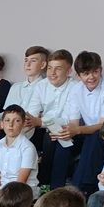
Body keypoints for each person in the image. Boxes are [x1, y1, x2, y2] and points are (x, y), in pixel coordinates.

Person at [63, 51, 104, 194]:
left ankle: (79, 189)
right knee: (59, 139)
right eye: (86, 74)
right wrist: (65, 132)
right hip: (86, 131)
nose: (91, 77)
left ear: (100, 70)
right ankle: (55, 186)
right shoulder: (76, 89)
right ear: (78, 76)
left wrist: (77, 130)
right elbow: (74, 122)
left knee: (94, 137)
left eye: (95, 72)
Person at [25, 49, 79, 189]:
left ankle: (54, 188)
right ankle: (43, 185)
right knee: (49, 135)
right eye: (49, 68)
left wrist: (41, 122)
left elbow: (68, 120)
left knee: (58, 137)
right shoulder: (41, 85)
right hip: (45, 130)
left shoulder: (76, 87)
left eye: (58, 69)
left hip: (71, 130)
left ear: (69, 71)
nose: (52, 73)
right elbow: (31, 113)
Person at [0, 105, 38, 189]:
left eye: (17, 121)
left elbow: (21, 181)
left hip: (22, 190)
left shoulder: (27, 147)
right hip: (1, 190)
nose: (11, 124)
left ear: (23, 124)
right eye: (7, 120)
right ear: (2, 124)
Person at [3, 45, 49, 113]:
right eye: (26, 60)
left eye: (33, 61)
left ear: (43, 65)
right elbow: (7, 113)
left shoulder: (47, 88)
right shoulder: (15, 87)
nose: (28, 64)